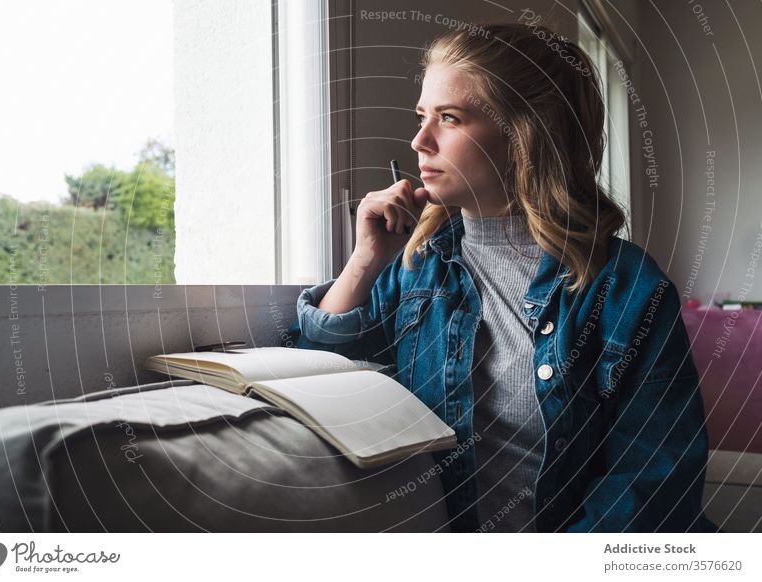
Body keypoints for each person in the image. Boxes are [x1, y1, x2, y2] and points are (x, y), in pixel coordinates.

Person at [288, 23, 716, 533]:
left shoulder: (626, 288)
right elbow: (319, 371)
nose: (419, 140)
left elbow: (654, 480)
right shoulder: (420, 267)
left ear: (527, 132)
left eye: (449, 118)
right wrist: (364, 260)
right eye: (422, 116)